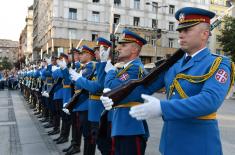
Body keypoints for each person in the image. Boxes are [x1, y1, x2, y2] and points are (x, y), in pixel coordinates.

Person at [101, 7, 235, 155]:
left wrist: (162, 108)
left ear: (204, 34)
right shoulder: (173, 64)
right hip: (169, 145)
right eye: (180, 31)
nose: (181, 35)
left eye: (187, 30)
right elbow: (145, 87)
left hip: (199, 146)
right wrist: (114, 98)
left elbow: (210, 101)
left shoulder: (218, 63)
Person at [100, 29, 149, 155]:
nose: (118, 48)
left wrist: (110, 71)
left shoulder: (135, 69)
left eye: (123, 45)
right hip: (122, 125)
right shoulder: (125, 68)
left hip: (131, 127)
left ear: (134, 50)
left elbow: (111, 87)